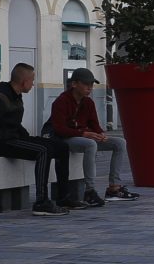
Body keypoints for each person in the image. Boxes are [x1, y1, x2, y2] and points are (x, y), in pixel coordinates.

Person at [0, 63, 88, 216]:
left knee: (61, 147)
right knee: (44, 150)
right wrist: (15, 137)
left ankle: (63, 197)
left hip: (13, 138)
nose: (33, 84)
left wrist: (26, 137)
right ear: (24, 82)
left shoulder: (15, 96)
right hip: (0, 144)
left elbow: (14, 124)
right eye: (32, 80)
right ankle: (41, 202)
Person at [50, 68, 139, 206]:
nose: (90, 88)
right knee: (90, 144)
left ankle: (114, 187)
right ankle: (89, 191)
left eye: (91, 84)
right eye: (86, 84)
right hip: (65, 138)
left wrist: (101, 134)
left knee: (120, 143)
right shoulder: (61, 101)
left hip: (83, 137)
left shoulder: (88, 102)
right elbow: (59, 129)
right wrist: (83, 134)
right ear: (74, 84)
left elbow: (94, 124)